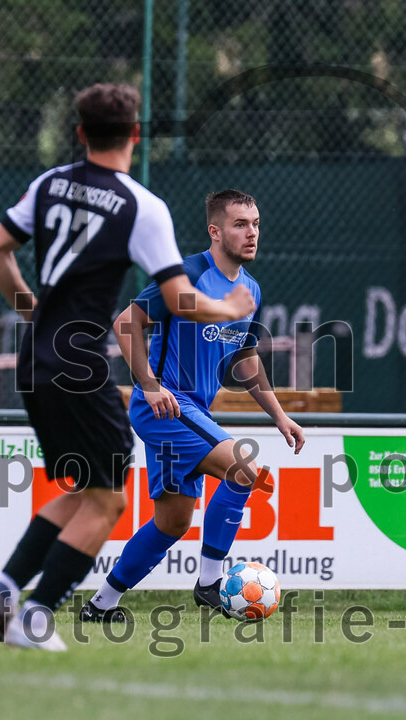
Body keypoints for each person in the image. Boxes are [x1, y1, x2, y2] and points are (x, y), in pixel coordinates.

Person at [0, 84, 257, 651]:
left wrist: (32, 308)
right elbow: (177, 296)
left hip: (37, 359)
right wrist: (226, 306)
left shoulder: (48, 184)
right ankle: (33, 618)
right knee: (109, 501)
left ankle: (1, 592)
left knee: (89, 490)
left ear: (79, 134)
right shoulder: (140, 205)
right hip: (79, 365)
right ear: (135, 134)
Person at [80, 189, 305, 622]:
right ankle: (208, 583)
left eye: (256, 223)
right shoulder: (186, 275)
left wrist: (279, 415)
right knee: (245, 469)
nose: (252, 232)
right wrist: (147, 383)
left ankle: (100, 605)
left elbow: (245, 357)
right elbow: (126, 323)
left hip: (188, 412)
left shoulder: (250, 289)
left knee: (172, 522)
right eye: (241, 224)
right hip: (165, 405)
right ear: (214, 231)